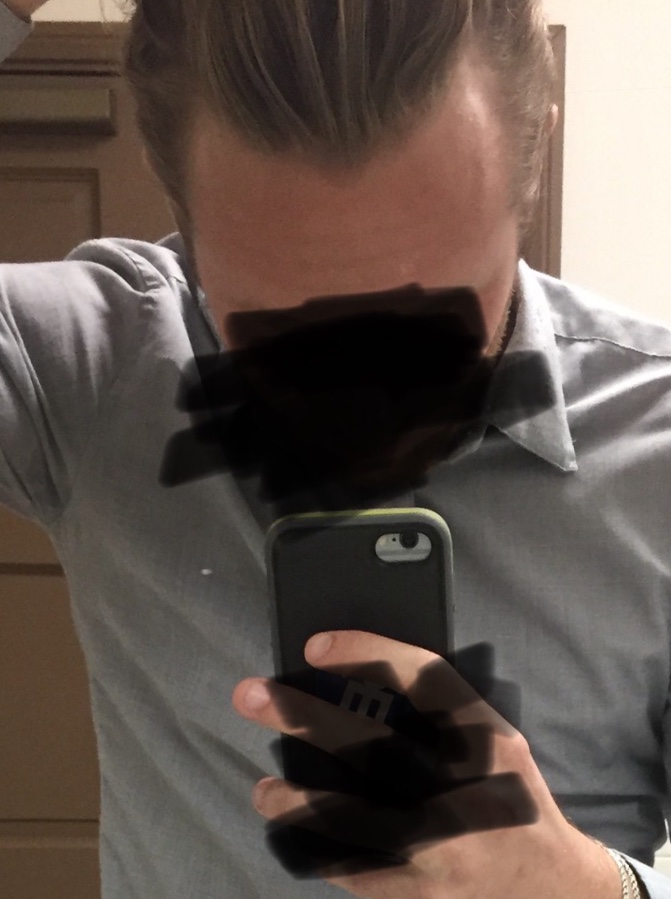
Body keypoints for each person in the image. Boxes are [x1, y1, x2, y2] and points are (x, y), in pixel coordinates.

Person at [1, 1, 671, 897]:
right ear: (174, 199)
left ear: (534, 159)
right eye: (278, 326)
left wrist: (581, 885)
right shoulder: (89, 368)